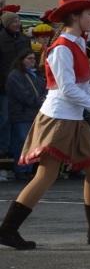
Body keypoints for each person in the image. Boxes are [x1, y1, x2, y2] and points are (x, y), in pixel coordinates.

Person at [0, 0, 90, 250]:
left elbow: (82, 85)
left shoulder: (79, 43)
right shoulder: (60, 48)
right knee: (46, 174)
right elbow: (67, 89)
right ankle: (8, 230)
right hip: (58, 117)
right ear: (74, 16)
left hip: (74, 117)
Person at [5, 49, 45, 180]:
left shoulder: (36, 74)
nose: (33, 60)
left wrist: (43, 99)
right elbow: (23, 95)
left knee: (33, 143)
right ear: (21, 60)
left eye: (34, 58)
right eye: (29, 58)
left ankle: (28, 169)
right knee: (22, 143)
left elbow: (45, 89)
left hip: (34, 113)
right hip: (21, 114)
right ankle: (20, 169)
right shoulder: (15, 75)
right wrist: (39, 101)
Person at [0, 9, 32, 158]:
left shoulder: (25, 39)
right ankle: (4, 147)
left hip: (24, 85)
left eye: (18, 21)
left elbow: (30, 60)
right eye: (14, 21)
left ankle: (16, 149)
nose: (17, 24)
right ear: (6, 24)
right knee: (6, 118)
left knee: (20, 118)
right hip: (4, 86)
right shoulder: (0, 39)